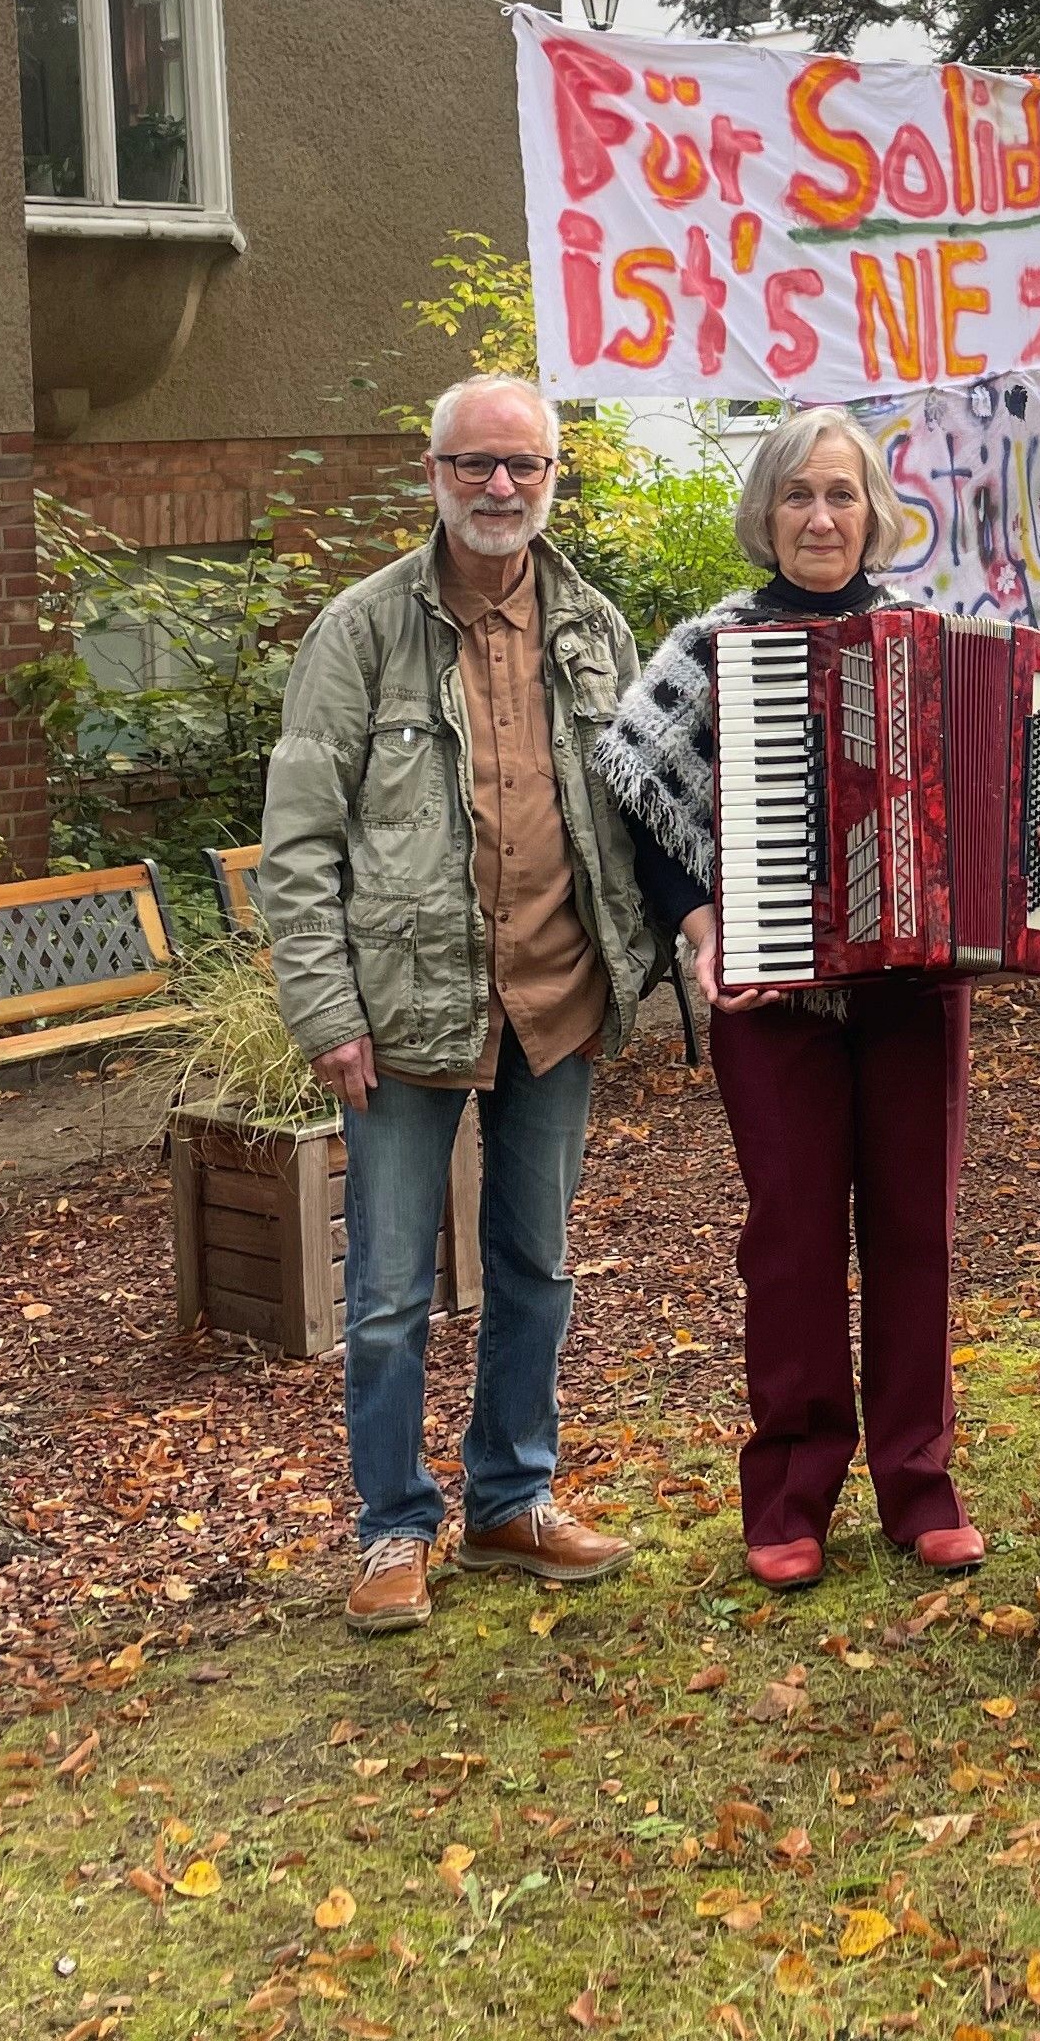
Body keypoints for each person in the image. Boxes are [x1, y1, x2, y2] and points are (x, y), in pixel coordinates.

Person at [261, 373, 662, 1634]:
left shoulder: (595, 628)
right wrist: (325, 1007)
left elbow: (644, 812)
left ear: (555, 477)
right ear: (430, 473)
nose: (499, 488)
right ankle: (392, 1528)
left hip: (557, 996)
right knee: (387, 1293)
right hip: (402, 1011)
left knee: (535, 1264)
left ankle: (510, 1500)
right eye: (475, 465)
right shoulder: (362, 631)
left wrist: (652, 955)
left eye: (523, 467)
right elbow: (299, 838)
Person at [597, 409, 987, 1591]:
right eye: (798, 498)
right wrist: (703, 921)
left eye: (842, 496)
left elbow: (990, 791)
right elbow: (640, 784)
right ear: (765, 517)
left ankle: (921, 1486)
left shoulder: (933, 640)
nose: (821, 518)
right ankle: (789, 1494)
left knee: (916, 1232)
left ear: (876, 512)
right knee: (793, 1240)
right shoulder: (712, 645)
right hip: (770, 996)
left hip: (916, 991)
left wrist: (1035, 842)